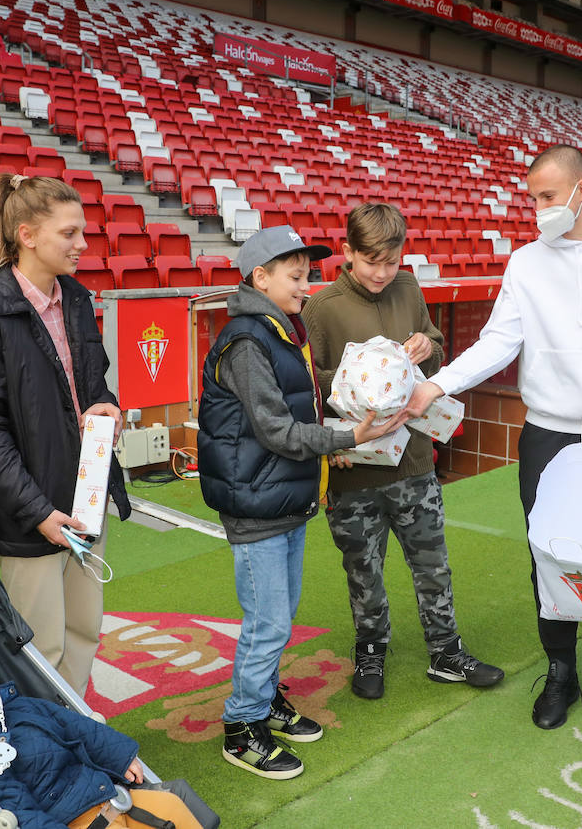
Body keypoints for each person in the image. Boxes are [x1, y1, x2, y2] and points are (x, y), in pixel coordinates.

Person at [400, 144, 582, 730]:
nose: (537, 210)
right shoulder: (526, 262)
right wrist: (437, 386)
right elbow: (498, 342)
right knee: (551, 552)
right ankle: (562, 670)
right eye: (532, 197)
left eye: (547, 196)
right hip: (549, 434)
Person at [197, 225, 403, 779]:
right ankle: (242, 727)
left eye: (308, 275)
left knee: (279, 619)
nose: (306, 287)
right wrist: (348, 437)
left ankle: (263, 701)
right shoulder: (247, 339)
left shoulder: (276, 329)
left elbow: (303, 403)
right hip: (257, 500)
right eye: (295, 277)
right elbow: (278, 431)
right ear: (259, 278)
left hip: (281, 496)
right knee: (267, 623)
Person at [301, 202, 503, 699]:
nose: (382, 273)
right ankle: (370, 651)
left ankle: (447, 652)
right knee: (363, 570)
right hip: (354, 466)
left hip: (412, 459)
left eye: (391, 262)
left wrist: (423, 345)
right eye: (371, 262)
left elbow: (434, 342)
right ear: (347, 253)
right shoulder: (321, 307)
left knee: (432, 562)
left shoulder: (409, 287)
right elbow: (306, 383)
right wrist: (358, 390)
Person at [0, 173, 131, 695]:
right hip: (29, 513)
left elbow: (93, 384)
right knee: (39, 645)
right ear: (27, 235)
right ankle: (47, 748)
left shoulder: (75, 300)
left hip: (82, 498)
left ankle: (78, 734)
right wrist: (38, 513)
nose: (82, 244)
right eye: (69, 233)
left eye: (82, 232)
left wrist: (108, 407)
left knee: (83, 630)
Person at [0, 661, 146, 829]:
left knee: (172, 805)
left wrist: (119, 757)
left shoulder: (14, 707)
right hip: (75, 818)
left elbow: (76, 725)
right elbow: (23, 814)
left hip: (102, 787)